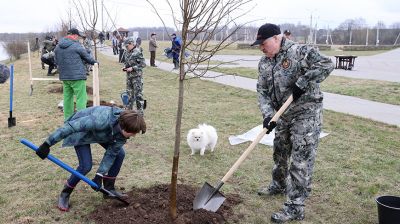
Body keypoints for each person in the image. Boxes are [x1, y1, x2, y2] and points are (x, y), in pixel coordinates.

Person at [251, 23, 334, 223]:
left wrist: (303, 82)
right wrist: (268, 115)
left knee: (300, 159)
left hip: (306, 113)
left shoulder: (300, 52)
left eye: (264, 43)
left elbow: (327, 64)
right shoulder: (264, 63)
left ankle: (296, 206)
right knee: (279, 151)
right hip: (282, 115)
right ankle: (278, 184)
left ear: (277, 38)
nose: (262, 47)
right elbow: (262, 91)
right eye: (259, 44)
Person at [34, 106, 147, 211]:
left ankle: (109, 189)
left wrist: (99, 174)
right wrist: (47, 144)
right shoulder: (101, 119)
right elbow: (71, 127)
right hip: (81, 131)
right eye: (133, 133)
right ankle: (65, 193)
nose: (133, 136)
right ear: (125, 129)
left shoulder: (122, 135)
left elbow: (111, 154)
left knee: (119, 154)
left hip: (103, 133)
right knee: (85, 166)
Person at [54, 28, 97, 121]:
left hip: (65, 77)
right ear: (74, 35)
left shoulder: (58, 47)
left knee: (67, 98)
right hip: (77, 77)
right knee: (81, 98)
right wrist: (95, 62)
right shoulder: (76, 45)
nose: (78, 39)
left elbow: (56, 61)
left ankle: (67, 119)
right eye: (78, 36)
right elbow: (87, 57)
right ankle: (81, 120)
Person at [122, 37, 146, 115]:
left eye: (127, 46)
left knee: (138, 95)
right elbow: (127, 63)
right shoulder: (127, 52)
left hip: (137, 78)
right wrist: (125, 68)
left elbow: (143, 64)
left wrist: (133, 68)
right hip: (129, 77)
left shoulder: (138, 52)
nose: (126, 47)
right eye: (125, 46)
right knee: (129, 95)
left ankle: (140, 113)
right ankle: (129, 112)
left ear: (132, 44)